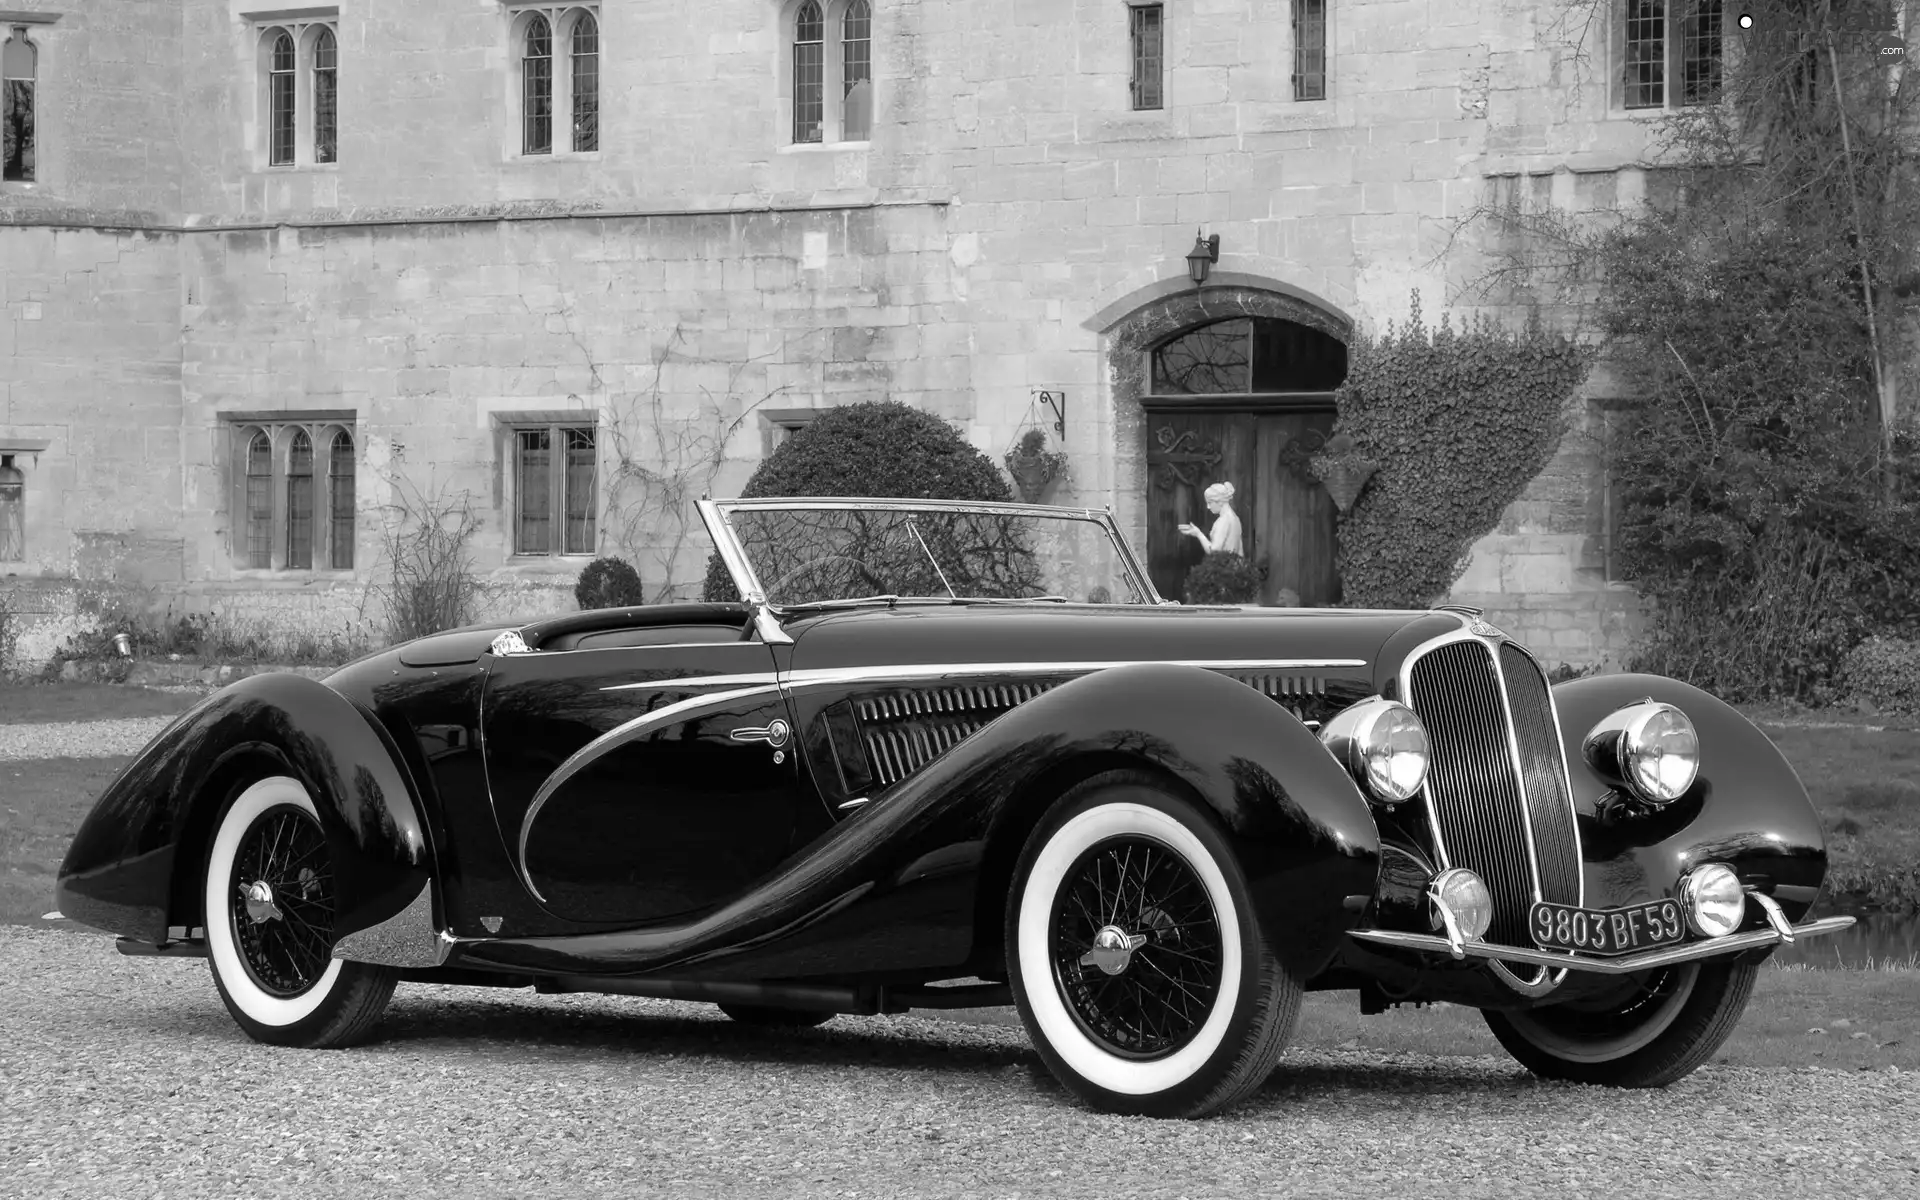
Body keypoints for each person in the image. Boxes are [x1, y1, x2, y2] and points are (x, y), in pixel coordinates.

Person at [1179, 481, 1243, 557]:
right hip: (1234, 566)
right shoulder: (1235, 518)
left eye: (1210, 502)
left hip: (1224, 566)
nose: (1208, 507)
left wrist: (1198, 534)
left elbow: (1213, 551)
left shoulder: (1223, 521)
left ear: (1220, 502)